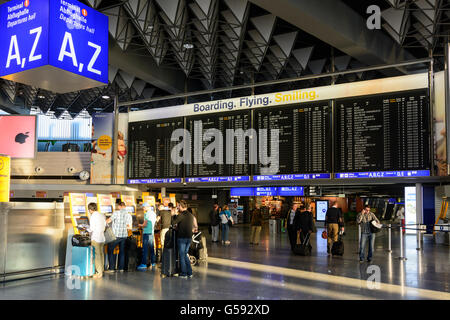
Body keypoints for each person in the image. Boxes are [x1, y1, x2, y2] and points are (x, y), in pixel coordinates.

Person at [106, 201, 132, 272]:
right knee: (122, 251)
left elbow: (108, 221)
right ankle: (121, 268)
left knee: (110, 249)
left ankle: (111, 268)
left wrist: (103, 221)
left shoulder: (116, 213)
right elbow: (129, 226)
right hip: (124, 236)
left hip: (116, 236)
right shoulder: (128, 215)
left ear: (120, 206)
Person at [172, 200, 194, 279]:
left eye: (178, 206)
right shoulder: (190, 215)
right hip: (189, 238)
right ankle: (190, 272)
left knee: (182, 255)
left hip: (182, 238)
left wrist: (174, 214)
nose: (178, 208)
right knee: (185, 255)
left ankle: (184, 273)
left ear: (181, 207)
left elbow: (173, 222)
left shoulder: (181, 215)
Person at [137, 203, 159, 270]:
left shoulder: (147, 214)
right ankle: (153, 262)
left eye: (143, 207)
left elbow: (145, 224)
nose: (143, 209)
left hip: (146, 233)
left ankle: (144, 264)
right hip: (151, 233)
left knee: (145, 249)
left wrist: (139, 225)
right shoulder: (153, 213)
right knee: (152, 249)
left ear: (146, 207)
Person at [88, 203, 106, 278]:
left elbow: (91, 228)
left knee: (97, 256)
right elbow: (105, 225)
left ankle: (99, 273)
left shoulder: (93, 216)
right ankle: (102, 270)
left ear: (90, 209)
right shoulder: (102, 215)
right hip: (102, 237)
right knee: (101, 254)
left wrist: (86, 229)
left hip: (96, 238)